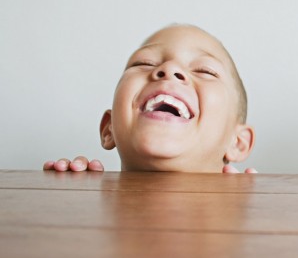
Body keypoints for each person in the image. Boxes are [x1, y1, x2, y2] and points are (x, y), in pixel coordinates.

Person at [43, 24, 256, 173]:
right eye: (144, 63)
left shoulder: (251, 217)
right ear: (109, 129)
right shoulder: (85, 198)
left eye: (204, 70)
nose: (169, 69)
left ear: (237, 142)